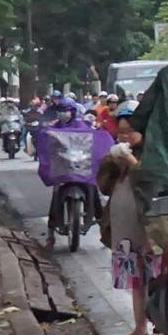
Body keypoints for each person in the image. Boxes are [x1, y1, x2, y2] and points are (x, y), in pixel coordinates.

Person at [98, 103, 163, 335]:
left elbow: (151, 180)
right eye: (121, 131)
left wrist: (132, 160)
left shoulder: (154, 153)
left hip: (150, 226)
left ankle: (161, 325)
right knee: (136, 279)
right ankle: (139, 326)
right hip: (124, 225)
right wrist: (113, 162)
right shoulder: (117, 157)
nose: (124, 136)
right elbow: (104, 185)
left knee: (156, 275)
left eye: (130, 131)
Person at [39, 98, 108, 248]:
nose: (63, 113)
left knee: (93, 191)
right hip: (64, 169)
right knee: (56, 195)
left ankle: (104, 229)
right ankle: (51, 234)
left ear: (73, 111)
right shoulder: (54, 128)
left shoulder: (81, 125)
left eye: (66, 110)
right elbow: (47, 141)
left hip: (81, 166)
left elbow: (92, 136)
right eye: (61, 110)